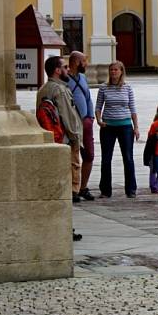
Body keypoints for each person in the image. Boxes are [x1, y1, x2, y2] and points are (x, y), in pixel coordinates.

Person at [36, 55, 83, 241]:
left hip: (51, 142)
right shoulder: (60, 91)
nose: (68, 70)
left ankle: (59, 225)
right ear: (57, 70)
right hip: (65, 143)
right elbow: (69, 119)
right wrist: (76, 141)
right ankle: (65, 227)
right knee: (69, 187)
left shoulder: (43, 89)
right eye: (64, 67)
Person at [95, 61, 140, 198]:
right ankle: (105, 190)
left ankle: (131, 189)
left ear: (121, 71)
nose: (113, 72)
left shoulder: (127, 88)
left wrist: (136, 127)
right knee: (106, 159)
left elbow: (133, 108)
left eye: (116, 70)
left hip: (125, 126)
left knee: (128, 158)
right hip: (108, 127)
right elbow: (98, 107)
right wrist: (99, 120)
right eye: (111, 70)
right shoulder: (103, 88)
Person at [67, 51, 95, 201]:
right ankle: (73, 189)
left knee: (89, 155)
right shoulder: (65, 79)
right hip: (73, 124)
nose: (86, 64)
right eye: (84, 61)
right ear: (76, 62)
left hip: (86, 123)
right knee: (73, 157)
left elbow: (88, 98)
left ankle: (83, 187)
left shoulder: (83, 77)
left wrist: (90, 117)